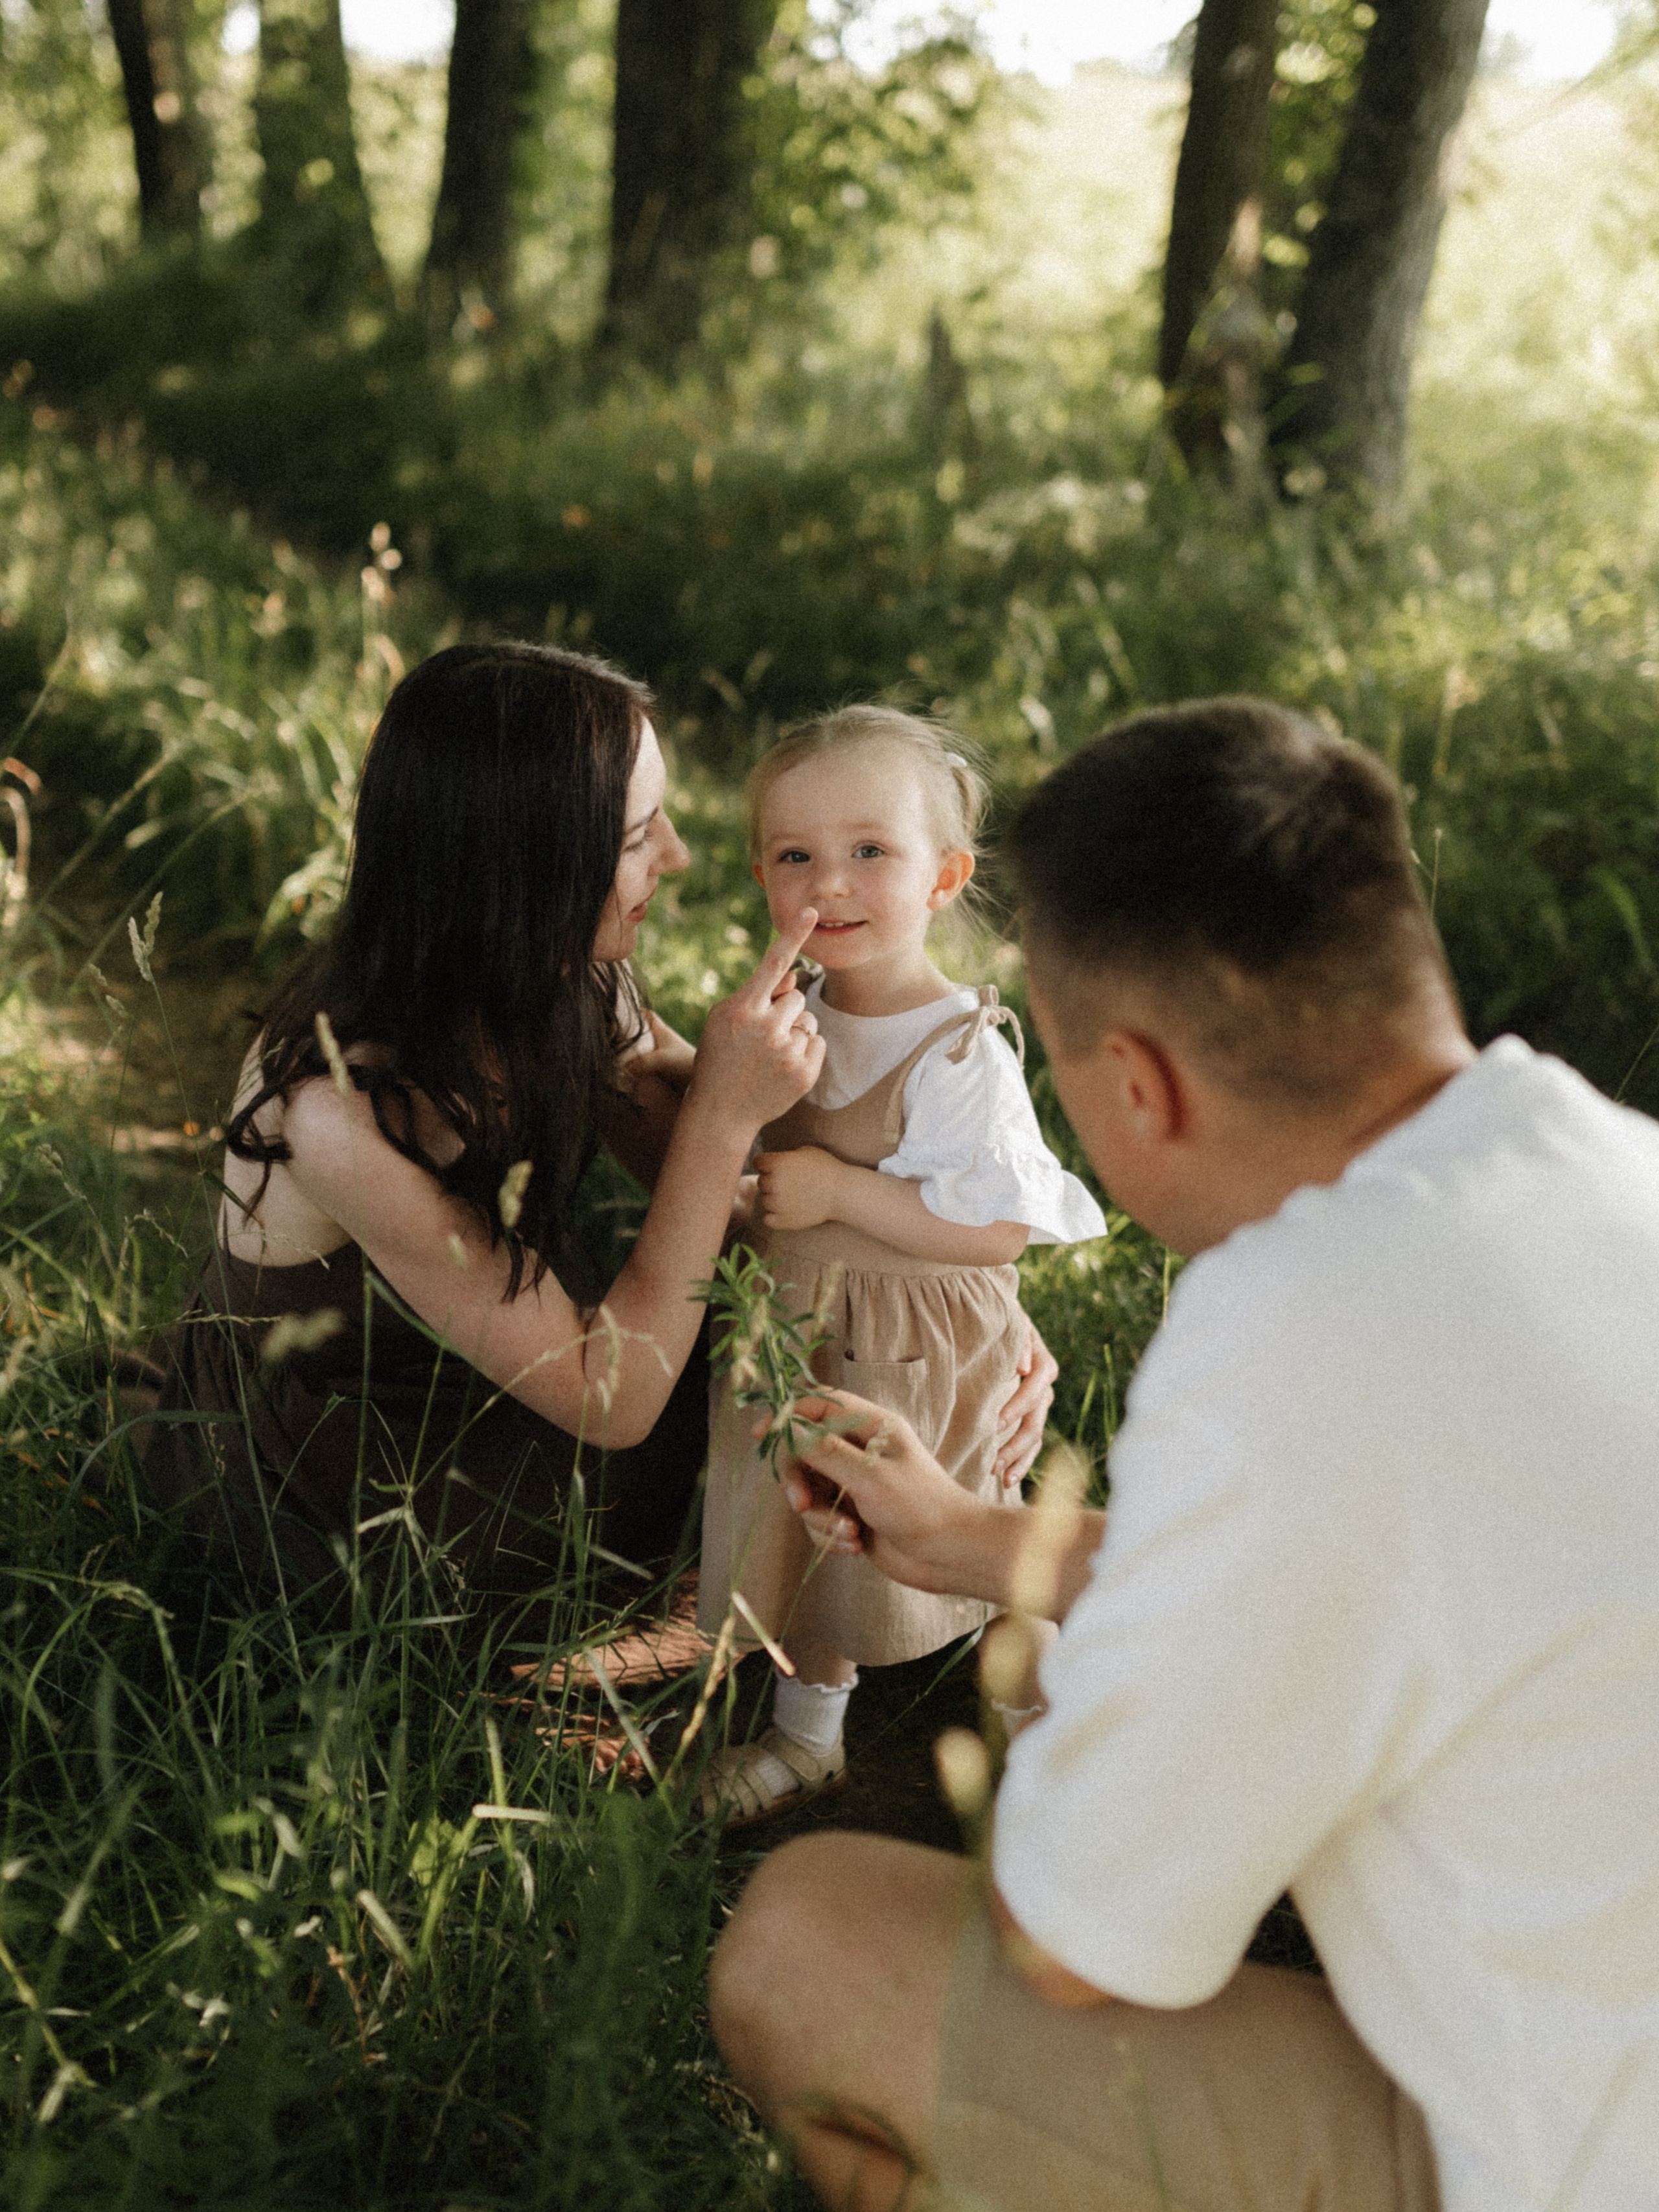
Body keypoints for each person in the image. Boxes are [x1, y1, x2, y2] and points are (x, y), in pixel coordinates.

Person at [708, 698, 1659, 2212]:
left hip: (1575, 2163)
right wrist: (976, 1542)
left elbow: (1088, 1943)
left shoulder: (1282, 1335)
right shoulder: (1612, 1167)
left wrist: (1085, 1691)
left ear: (1135, 1086)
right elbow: (1433, 1549)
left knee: (810, 1940)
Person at [144, 644, 1058, 1617]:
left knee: (794, 1339)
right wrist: (720, 1115)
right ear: (526, 869)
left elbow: (754, 1207)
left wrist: (965, 1308)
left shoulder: (570, 972)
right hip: (350, 1474)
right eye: (636, 835)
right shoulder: (343, 1110)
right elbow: (609, 1395)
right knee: (691, 1415)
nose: (678, 855)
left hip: (505, 1353)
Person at [695, 708, 1104, 1821]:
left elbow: (997, 1233)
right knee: (810, 1533)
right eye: (796, 856)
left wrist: (837, 1194)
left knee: (980, 1527)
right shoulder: (792, 1015)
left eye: (871, 850)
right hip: (803, 1326)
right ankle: (807, 1738)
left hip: (923, 1344)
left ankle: (1041, 1728)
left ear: (943, 875)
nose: (831, 880)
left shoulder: (959, 1048)